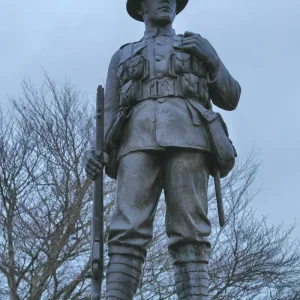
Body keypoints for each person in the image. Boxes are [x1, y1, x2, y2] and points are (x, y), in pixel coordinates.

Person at [84, 0, 241, 299]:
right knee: (126, 233)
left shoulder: (196, 46)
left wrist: (214, 62)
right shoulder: (123, 55)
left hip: (190, 140)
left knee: (191, 234)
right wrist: (95, 151)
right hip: (135, 141)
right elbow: (110, 109)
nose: (166, 1)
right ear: (142, 6)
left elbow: (231, 98)